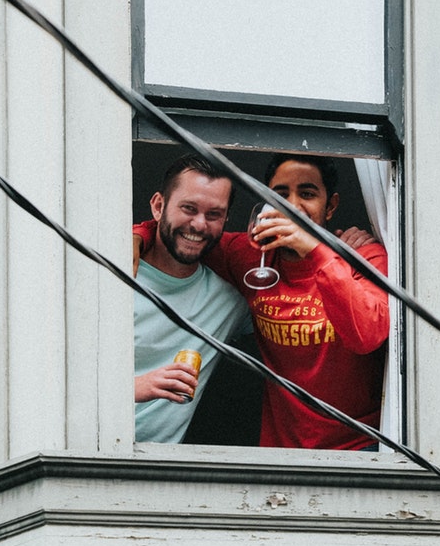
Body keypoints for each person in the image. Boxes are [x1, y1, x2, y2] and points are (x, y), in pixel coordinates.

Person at [135, 153, 389, 450]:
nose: (292, 205)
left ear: (330, 206)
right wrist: (136, 236)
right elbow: (189, 232)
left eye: (307, 193)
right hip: (281, 451)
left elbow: (367, 336)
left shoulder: (364, 258)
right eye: (280, 194)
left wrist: (315, 251)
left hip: (360, 450)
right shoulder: (250, 256)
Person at [133, 155, 250, 443]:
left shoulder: (228, 301)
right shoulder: (116, 273)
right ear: (158, 206)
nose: (198, 225)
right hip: (77, 454)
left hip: (159, 471)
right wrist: (134, 388)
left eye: (213, 215)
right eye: (189, 208)